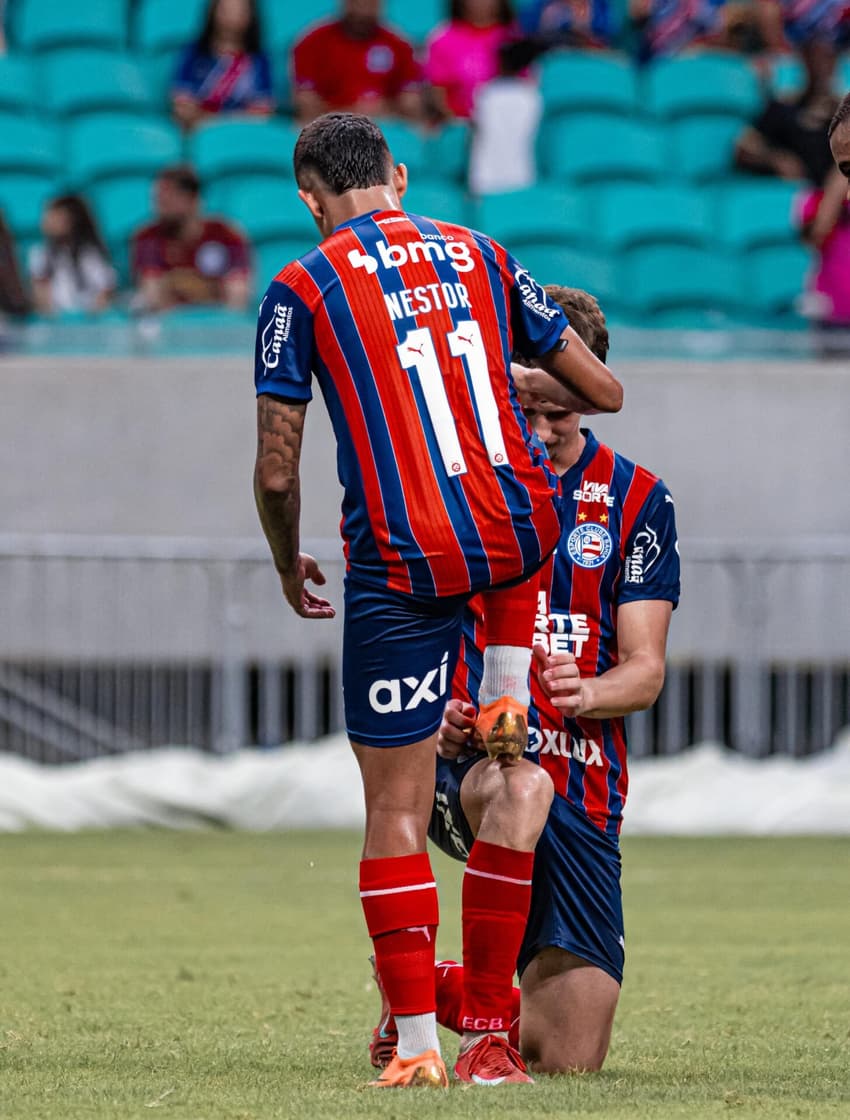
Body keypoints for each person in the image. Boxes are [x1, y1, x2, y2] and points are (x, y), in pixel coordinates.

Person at [252, 112, 623, 1089]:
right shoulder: (481, 252)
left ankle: (418, 1039)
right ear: (400, 176)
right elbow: (603, 389)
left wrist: (287, 561)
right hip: (512, 536)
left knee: (393, 812)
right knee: (512, 771)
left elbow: (279, 472)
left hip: (397, 563)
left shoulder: (301, 287)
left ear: (309, 199)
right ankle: (486, 1037)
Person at [369, 286, 680, 1082]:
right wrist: (433, 707)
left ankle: (424, 993)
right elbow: (409, 626)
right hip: (468, 772)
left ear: (592, 399)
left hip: (587, 784)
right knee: (521, 790)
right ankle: (482, 1037)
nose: (539, 434)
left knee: (572, 1057)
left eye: (561, 417)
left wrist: (588, 692)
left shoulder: (639, 501)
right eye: (524, 410)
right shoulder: (456, 486)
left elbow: (645, 670)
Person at [131, 165, 251, 313]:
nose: (159, 209)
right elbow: (153, 297)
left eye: (167, 201)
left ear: (192, 199)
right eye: (158, 201)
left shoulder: (227, 236)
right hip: (169, 329)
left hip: (217, 327)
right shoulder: (148, 238)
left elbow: (237, 299)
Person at [291, 0, 422, 123]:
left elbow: (410, 98)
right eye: (356, 3)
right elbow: (305, 98)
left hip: (384, 123)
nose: (362, 11)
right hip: (328, 125)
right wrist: (349, 113)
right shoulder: (312, 43)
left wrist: (383, 109)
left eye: (370, 4)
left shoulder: (399, 45)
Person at [735, 35, 840, 186]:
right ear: (804, 61)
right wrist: (776, 159)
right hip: (798, 193)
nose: (820, 65)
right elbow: (743, 150)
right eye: (812, 56)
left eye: (827, 57)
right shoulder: (783, 108)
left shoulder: (843, 113)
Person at [171, 0, 273, 131]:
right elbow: (181, 105)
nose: (232, 16)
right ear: (213, 12)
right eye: (226, 10)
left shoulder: (260, 59)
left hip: (244, 132)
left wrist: (226, 123)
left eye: (240, 10)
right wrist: (208, 122)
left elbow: (263, 112)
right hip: (198, 131)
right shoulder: (192, 53)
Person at [424, 0, 520, 121]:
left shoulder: (514, 37)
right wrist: (458, 123)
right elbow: (438, 92)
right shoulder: (443, 40)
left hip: (506, 122)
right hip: (461, 125)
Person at [28, 195, 116, 316]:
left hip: (89, 319)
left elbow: (105, 291)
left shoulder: (90, 254)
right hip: (55, 321)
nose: (46, 220)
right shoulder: (40, 254)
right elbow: (41, 296)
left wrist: (92, 315)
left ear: (71, 220)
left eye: (53, 216)